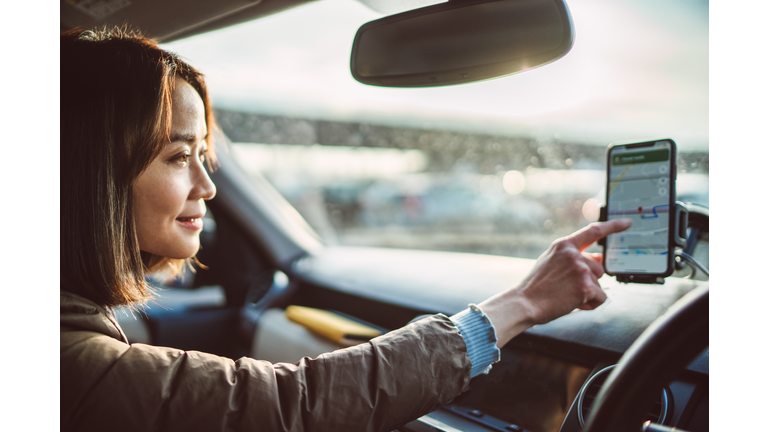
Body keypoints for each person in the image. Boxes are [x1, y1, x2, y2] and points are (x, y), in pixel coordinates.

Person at [60, 27, 631, 432]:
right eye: (179, 156)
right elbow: (296, 403)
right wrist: (522, 303)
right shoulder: (69, 360)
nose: (208, 186)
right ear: (92, 174)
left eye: (204, 155)